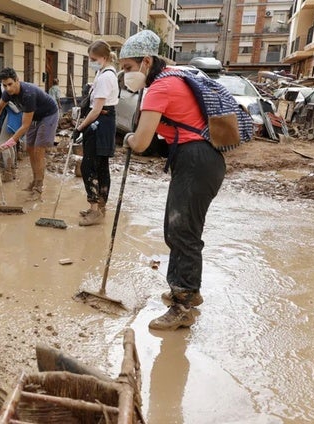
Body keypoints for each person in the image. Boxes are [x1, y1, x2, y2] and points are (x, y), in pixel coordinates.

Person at [120, 30, 224, 331]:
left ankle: (183, 306)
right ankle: (186, 288)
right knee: (179, 227)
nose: (126, 74)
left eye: (128, 67)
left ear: (147, 61)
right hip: (202, 159)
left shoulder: (160, 88)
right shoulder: (174, 77)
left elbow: (140, 142)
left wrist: (127, 137)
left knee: (182, 232)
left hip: (195, 160)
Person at [0, 67, 59, 201]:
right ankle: (35, 180)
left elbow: (25, 125)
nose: (7, 88)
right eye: (4, 85)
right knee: (30, 148)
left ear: (17, 81)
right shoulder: (8, 93)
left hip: (49, 114)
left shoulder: (28, 94)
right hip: (34, 116)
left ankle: (39, 186)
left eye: (10, 84)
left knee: (38, 150)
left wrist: (12, 140)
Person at [75, 40, 118, 226]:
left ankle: (95, 210)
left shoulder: (106, 76)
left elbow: (96, 110)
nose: (91, 61)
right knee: (100, 165)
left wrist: (80, 128)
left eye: (94, 59)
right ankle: (99, 208)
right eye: (90, 59)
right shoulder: (103, 73)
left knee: (90, 166)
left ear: (105, 57)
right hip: (102, 122)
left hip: (100, 123)